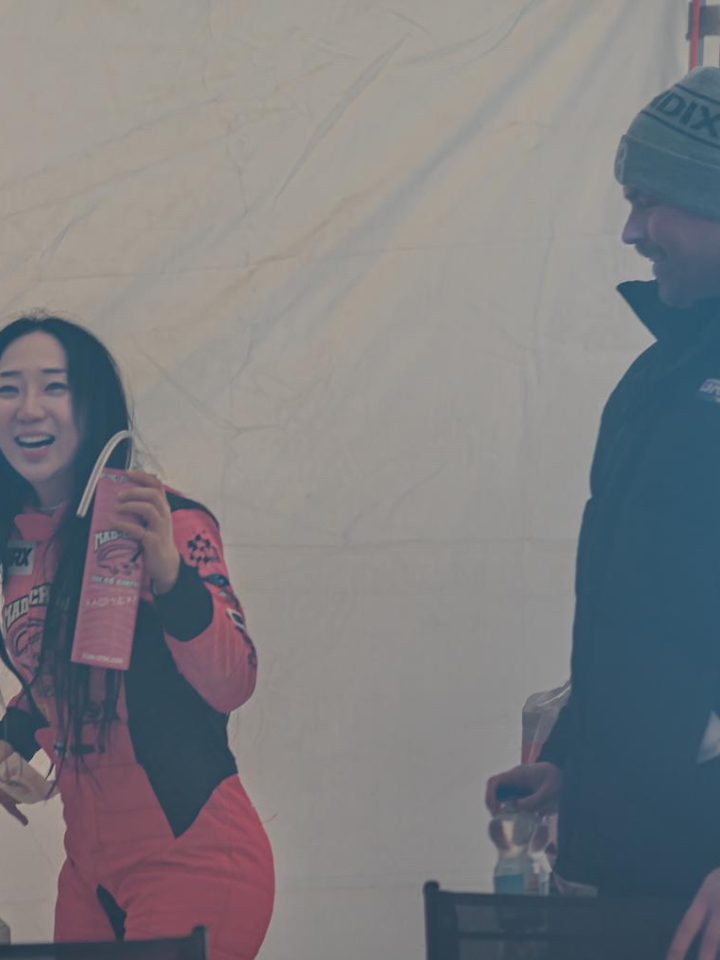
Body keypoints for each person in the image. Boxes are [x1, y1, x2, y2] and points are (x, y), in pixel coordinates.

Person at [486, 66, 720, 960]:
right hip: (626, 863)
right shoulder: (656, 380)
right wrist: (576, 765)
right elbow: (643, 615)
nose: (630, 232)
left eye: (650, 201)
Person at [0, 315, 274, 959]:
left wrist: (172, 577)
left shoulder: (161, 519)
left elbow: (233, 681)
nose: (28, 408)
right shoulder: (17, 540)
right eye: (7, 388)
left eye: (54, 386)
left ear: (92, 404)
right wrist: (11, 741)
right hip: (88, 875)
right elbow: (52, 676)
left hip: (195, 857)